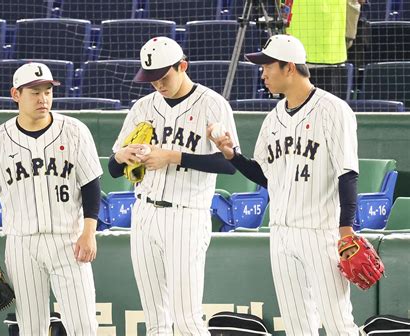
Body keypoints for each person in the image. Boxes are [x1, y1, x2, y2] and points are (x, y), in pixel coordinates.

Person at [209, 34, 360, 335]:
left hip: (322, 233)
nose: (262, 73)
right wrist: (232, 156)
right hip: (281, 233)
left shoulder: (334, 110)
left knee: (338, 323)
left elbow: (348, 173)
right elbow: (267, 177)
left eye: (267, 66)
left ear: (289, 67)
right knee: (297, 327)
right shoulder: (272, 119)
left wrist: (346, 230)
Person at [108, 36, 239, 335]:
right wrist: (122, 155)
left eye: (164, 76)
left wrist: (172, 156)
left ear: (183, 66)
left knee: (186, 320)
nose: (158, 84)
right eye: (151, 79)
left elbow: (229, 163)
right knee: (155, 322)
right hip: (144, 214)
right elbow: (114, 169)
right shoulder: (142, 107)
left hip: (187, 215)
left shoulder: (212, 104)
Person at [0, 62, 101, 335]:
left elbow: (90, 184)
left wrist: (89, 232)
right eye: (34, 92)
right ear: (15, 94)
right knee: (31, 328)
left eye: (47, 91)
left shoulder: (75, 131)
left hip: (68, 241)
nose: (43, 98)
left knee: (84, 326)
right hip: (22, 244)